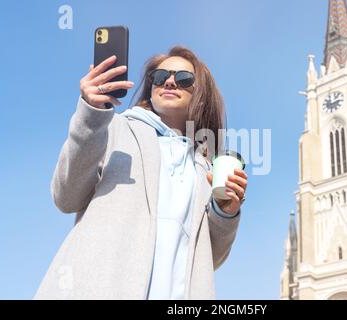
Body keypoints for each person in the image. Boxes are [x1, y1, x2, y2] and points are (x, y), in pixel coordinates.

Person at [34, 46, 248, 300]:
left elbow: (208, 259)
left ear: (200, 95)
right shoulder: (114, 128)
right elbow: (65, 197)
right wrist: (91, 114)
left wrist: (225, 212)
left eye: (183, 79)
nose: (169, 81)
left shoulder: (205, 169)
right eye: (159, 77)